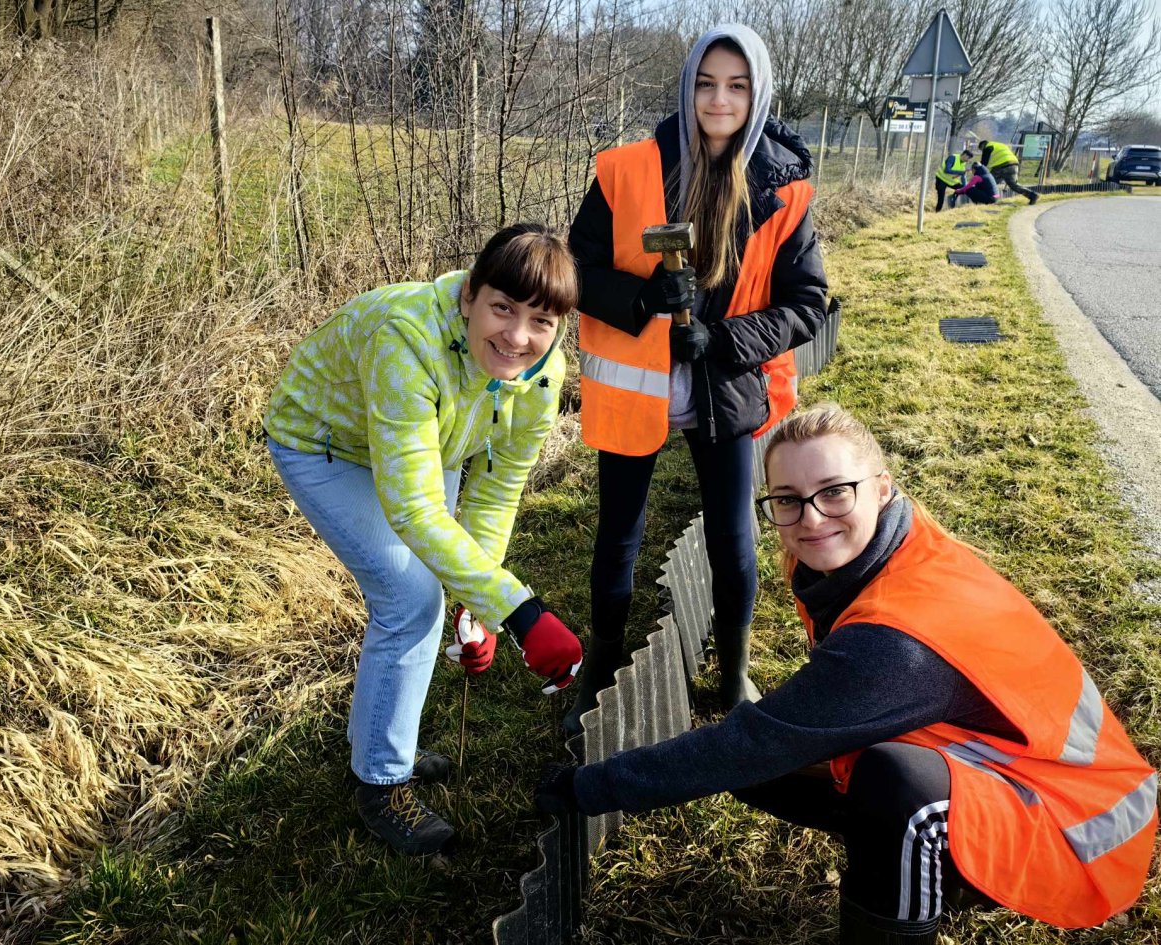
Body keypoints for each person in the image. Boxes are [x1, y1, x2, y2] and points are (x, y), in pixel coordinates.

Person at [536, 403, 1157, 943]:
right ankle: (909, 855)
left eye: (835, 491)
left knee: (885, 786)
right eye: (787, 500)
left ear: (882, 488)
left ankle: (913, 892)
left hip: (1078, 834)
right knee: (764, 767)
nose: (810, 518)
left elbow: (754, 741)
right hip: (1012, 772)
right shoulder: (894, 549)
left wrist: (588, 788)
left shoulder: (898, 637)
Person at [263, 223, 584, 856]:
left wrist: (480, 603)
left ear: (560, 328)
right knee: (409, 600)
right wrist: (521, 611)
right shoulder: (405, 339)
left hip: (429, 433)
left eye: (541, 321)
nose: (518, 337)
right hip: (326, 442)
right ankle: (382, 783)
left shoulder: (542, 378)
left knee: (442, 588)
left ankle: (389, 740)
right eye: (502, 308)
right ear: (469, 296)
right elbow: (412, 507)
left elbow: (495, 490)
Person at [563, 24, 828, 736]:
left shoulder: (785, 190)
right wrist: (642, 299)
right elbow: (576, 270)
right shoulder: (626, 170)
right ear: (688, 87)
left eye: (737, 85)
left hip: (727, 386)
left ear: (758, 93)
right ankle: (602, 667)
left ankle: (734, 674)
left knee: (732, 538)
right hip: (634, 385)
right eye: (707, 83)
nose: (720, 99)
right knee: (618, 535)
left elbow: (806, 304)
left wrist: (729, 339)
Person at [978, 138, 1039, 204]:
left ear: (983, 146)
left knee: (989, 182)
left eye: (981, 150)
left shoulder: (988, 147)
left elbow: (984, 163)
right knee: (1013, 185)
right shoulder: (1000, 145)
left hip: (1001, 165)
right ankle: (1032, 195)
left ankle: (986, 200)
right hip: (1014, 163)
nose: (982, 151)